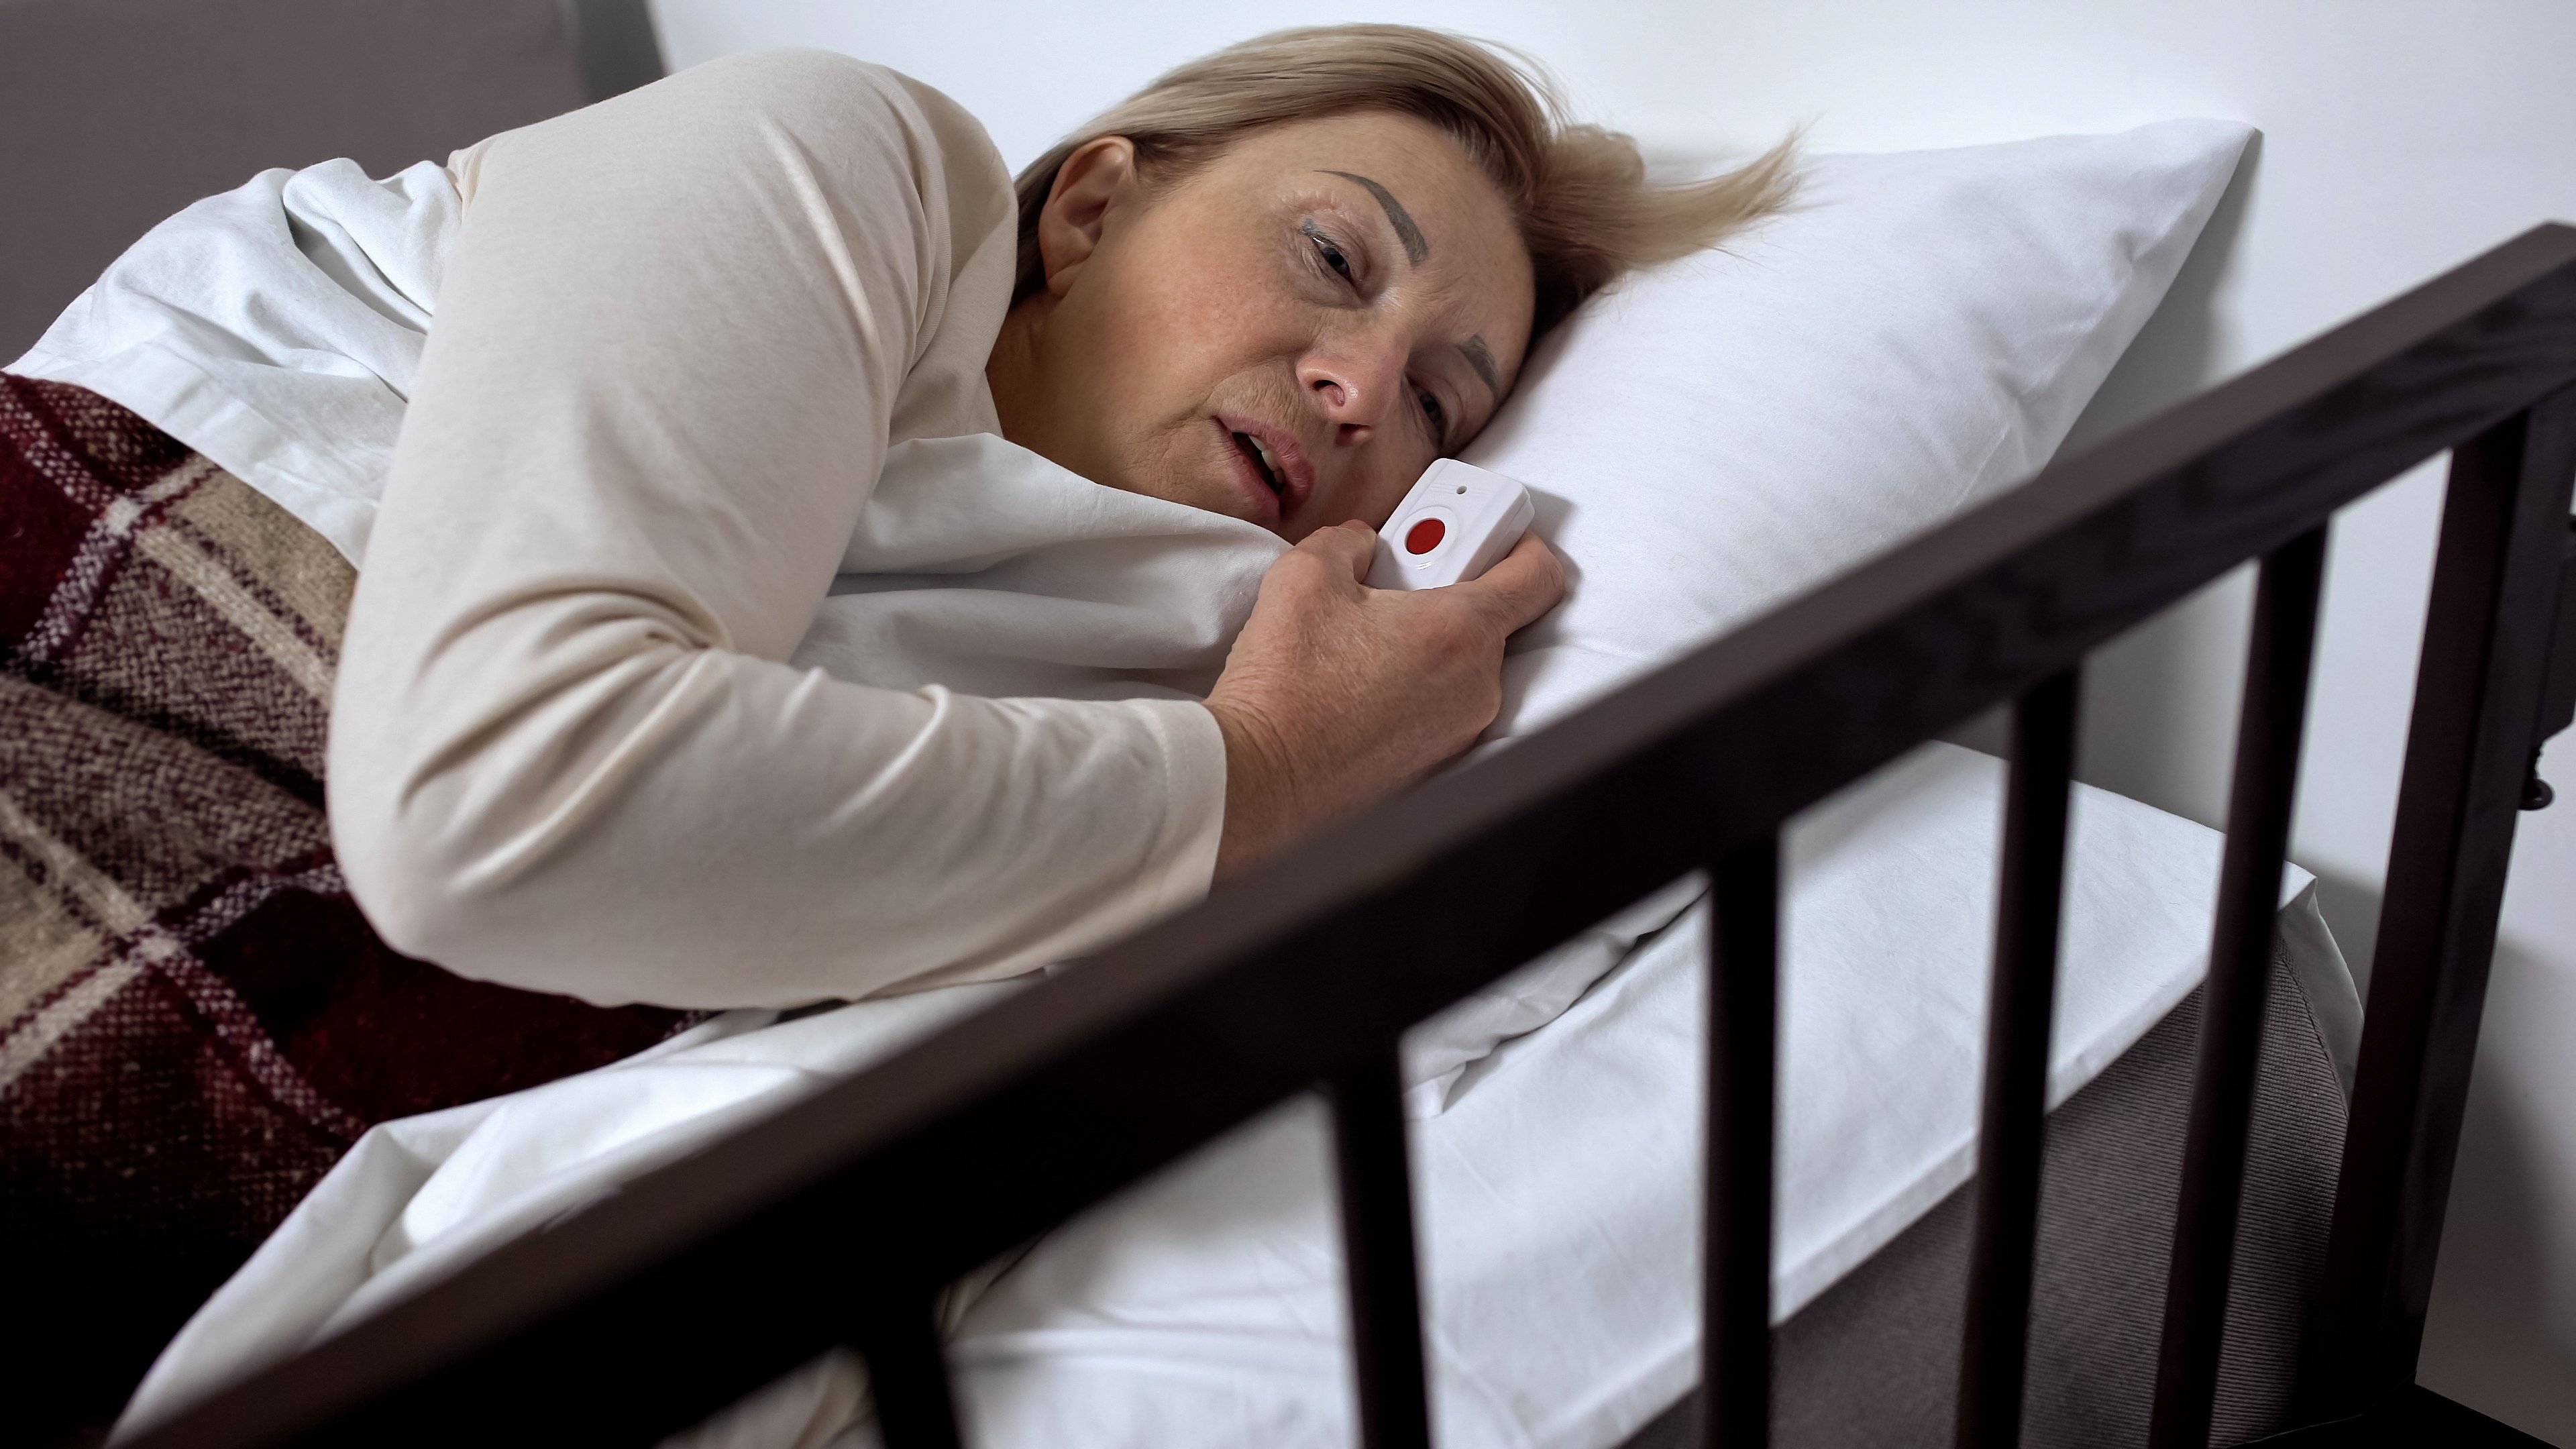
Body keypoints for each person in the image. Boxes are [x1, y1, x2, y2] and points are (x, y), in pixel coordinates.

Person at [17, 26, 1792, 1011]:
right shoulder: (842, 154)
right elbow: (501, 812)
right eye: (1331, 258)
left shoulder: (1140, 698)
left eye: (1440, 402)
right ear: (1093, 208)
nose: (1357, 389)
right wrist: (1264, 774)